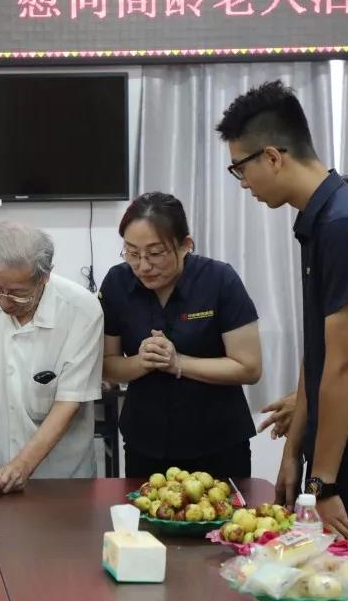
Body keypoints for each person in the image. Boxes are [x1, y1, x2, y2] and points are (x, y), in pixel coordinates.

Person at [216, 80, 348, 569]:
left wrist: (325, 485)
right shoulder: (324, 219)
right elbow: (318, 351)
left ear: (273, 157)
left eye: (240, 168)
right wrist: (294, 451)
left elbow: (343, 366)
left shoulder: (344, 225)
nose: (243, 183)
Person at [99, 192, 262, 480]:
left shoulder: (219, 280)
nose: (143, 266)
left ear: (185, 245)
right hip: (145, 443)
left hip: (218, 442)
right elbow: (106, 364)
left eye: (155, 253)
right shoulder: (117, 283)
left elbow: (249, 367)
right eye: (132, 253)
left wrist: (179, 363)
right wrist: (141, 362)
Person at [0, 221, 104, 492]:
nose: (4, 301)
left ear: (45, 277)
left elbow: (68, 403)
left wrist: (23, 463)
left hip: (62, 478)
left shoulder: (82, 309)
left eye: (18, 294)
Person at [255, 173, 348, 438]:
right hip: (331, 413)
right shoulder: (335, 265)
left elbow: (347, 366)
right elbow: (318, 352)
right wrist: (303, 403)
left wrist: (305, 402)